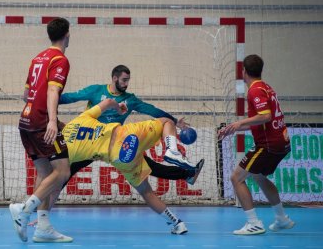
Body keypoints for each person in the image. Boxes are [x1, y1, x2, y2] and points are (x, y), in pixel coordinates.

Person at [62, 98, 195, 234]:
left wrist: (44, 212)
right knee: (167, 121)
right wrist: (118, 107)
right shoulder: (80, 118)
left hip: (120, 158)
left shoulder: (65, 150)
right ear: (62, 124)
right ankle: (172, 150)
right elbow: (108, 102)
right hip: (126, 136)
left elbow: (58, 177)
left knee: (146, 192)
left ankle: (177, 223)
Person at [60, 64, 202, 180]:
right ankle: (46, 201)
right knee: (67, 170)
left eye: (128, 80)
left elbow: (151, 110)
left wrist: (175, 121)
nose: (127, 84)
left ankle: (188, 174)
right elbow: (71, 97)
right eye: (124, 80)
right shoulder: (96, 90)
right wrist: (47, 100)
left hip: (114, 143)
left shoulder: (130, 99)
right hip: (90, 142)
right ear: (114, 78)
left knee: (147, 166)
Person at [9, 17, 73, 243]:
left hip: (25, 120)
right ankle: (24, 210)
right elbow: (53, 91)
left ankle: (43, 228)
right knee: (63, 171)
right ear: (67, 33)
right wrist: (53, 121)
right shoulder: (60, 59)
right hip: (41, 122)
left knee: (45, 173)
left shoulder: (37, 58)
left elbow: (26, 95)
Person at [218, 54, 295, 235]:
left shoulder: (255, 90)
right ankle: (282, 218)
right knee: (259, 176)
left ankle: (254, 223)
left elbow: (265, 116)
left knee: (236, 178)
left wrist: (238, 124)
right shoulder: (267, 87)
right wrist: (239, 127)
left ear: (243, 71)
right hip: (280, 142)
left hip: (268, 145)